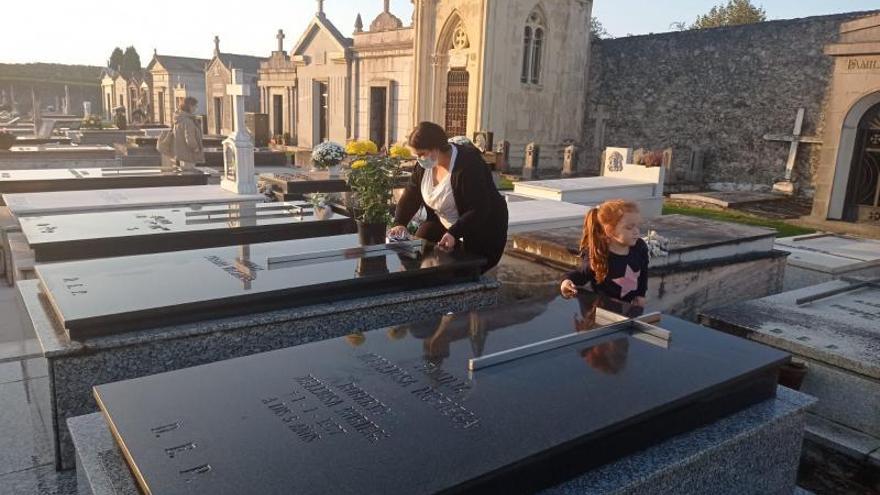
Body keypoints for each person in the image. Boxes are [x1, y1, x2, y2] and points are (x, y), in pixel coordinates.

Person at [388, 122, 508, 273]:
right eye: (416, 155)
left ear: (436, 148)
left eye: (421, 154)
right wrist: (400, 223)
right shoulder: (423, 166)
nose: (419, 159)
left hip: (482, 227)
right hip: (445, 224)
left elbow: (479, 208)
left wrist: (454, 233)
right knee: (420, 254)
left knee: (464, 272)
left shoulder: (469, 163)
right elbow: (411, 196)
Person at [560, 199, 648, 306]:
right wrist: (566, 281)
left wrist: (641, 294)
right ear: (610, 231)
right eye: (629, 227)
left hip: (630, 307)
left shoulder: (639, 247)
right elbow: (581, 274)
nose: (636, 231)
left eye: (637, 226)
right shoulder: (600, 253)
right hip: (604, 311)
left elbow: (643, 272)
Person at [170, 97, 204, 171]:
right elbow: (190, 138)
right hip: (188, 154)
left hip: (180, 153)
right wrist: (196, 148)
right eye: (195, 106)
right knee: (190, 173)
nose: (196, 108)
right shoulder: (188, 121)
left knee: (183, 173)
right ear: (190, 106)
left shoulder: (179, 119)